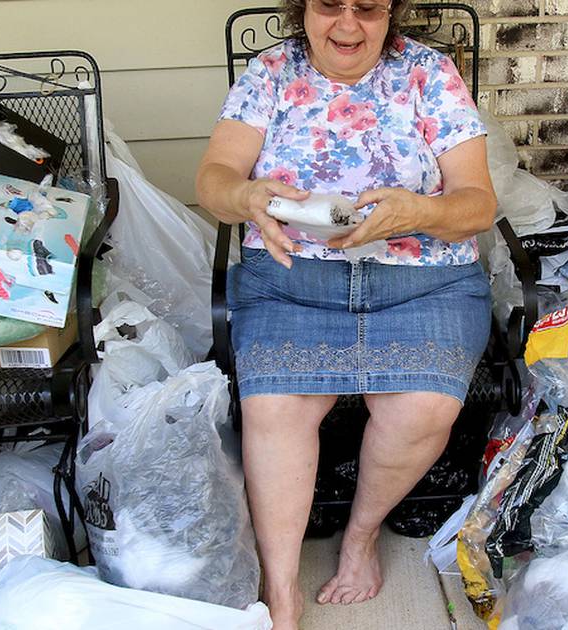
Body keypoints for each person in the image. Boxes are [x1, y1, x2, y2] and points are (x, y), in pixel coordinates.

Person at [195, 0, 495, 627]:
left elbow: (477, 205)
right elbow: (214, 180)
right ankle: (281, 589)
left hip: (423, 281)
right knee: (274, 410)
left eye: (369, 8)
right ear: (302, 8)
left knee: (423, 407)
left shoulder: (428, 73)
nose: (349, 24)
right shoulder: (270, 73)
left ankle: (361, 536)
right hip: (292, 280)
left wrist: (421, 211)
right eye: (330, 5)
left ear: (393, 11)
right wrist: (246, 195)